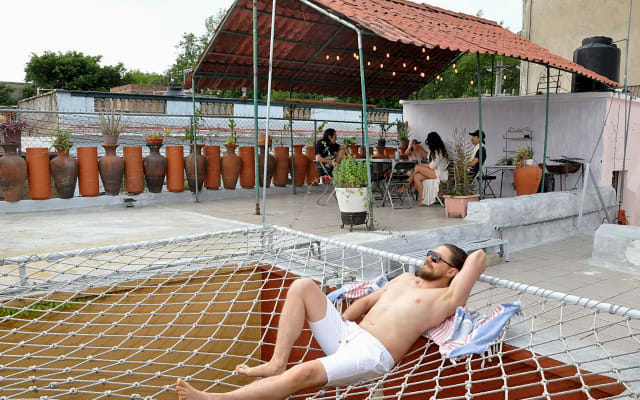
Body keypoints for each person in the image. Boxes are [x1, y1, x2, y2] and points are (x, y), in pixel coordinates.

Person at [176, 245, 487, 400]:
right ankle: (276, 362)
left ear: (451, 273)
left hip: (373, 354)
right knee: (302, 287)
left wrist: (460, 274)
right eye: (429, 253)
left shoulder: (447, 299)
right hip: (350, 334)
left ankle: (215, 399)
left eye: (436, 258)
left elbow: (479, 258)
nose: (427, 259)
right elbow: (364, 303)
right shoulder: (404, 279)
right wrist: (340, 330)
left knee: (307, 371)